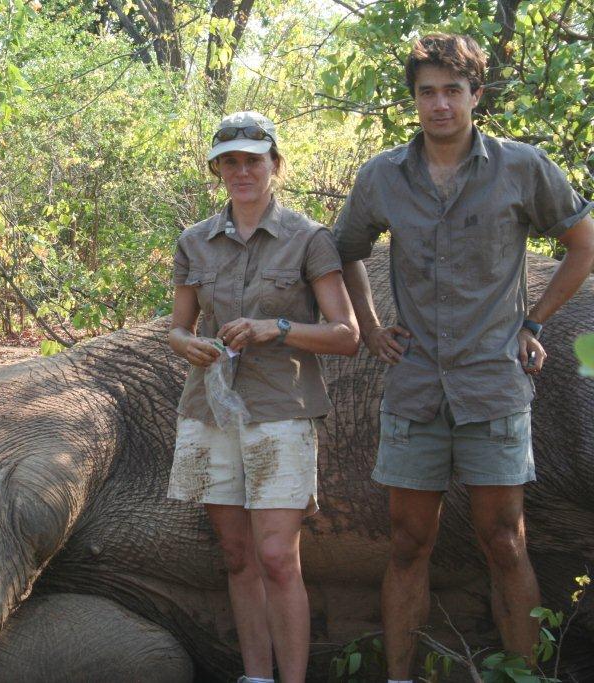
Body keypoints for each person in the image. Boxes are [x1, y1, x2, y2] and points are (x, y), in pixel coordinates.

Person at [333, 33, 594, 683]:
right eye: (427, 91)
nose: (440, 103)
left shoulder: (521, 167)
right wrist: (369, 325)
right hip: (416, 386)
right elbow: (344, 248)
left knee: (505, 542)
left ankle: (527, 676)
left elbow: (583, 245)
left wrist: (534, 319)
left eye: (453, 89)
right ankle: (400, 676)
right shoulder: (383, 175)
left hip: (493, 384)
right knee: (407, 544)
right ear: (414, 99)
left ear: (476, 93)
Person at [167, 111, 359, 683]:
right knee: (235, 554)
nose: (242, 170)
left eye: (254, 159)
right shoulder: (194, 241)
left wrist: (275, 328)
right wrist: (189, 346)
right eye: (231, 161)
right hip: (209, 410)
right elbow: (178, 327)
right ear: (217, 169)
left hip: (281, 411)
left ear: (275, 164)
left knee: (277, 556)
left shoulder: (308, 238)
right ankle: (256, 675)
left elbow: (346, 335)